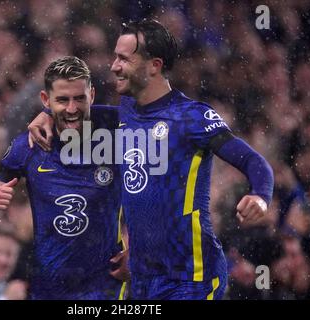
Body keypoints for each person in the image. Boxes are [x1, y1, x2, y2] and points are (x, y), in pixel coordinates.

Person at [28, 19, 274, 300]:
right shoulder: (127, 110)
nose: (113, 66)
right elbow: (82, 113)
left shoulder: (191, 117)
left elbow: (253, 161)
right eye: (114, 56)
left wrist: (260, 196)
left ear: (154, 65)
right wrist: (48, 113)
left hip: (191, 278)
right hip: (144, 279)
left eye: (123, 59)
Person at [0, 56, 128, 300]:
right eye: (62, 100)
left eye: (79, 98)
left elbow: (165, 120)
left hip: (106, 287)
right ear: (46, 100)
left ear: (92, 95)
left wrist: (140, 252)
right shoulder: (28, 146)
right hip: (48, 289)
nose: (72, 109)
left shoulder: (116, 127)